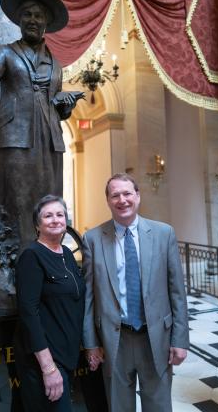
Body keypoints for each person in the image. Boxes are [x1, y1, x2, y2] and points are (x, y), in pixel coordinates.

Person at [0, 0, 84, 252]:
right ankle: (15, 257)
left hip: (49, 140)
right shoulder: (6, 51)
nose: (33, 20)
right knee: (16, 198)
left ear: (47, 23)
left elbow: (56, 106)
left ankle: (46, 253)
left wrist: (66, 106)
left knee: (48, 198)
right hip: (16, 135)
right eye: (27, 14)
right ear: (19, 20)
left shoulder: (56, 64)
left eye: (39, 16)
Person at [82, 173, 189, 412]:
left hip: (156, 339)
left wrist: (180, 340)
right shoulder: (93, 239)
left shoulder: (164, 234)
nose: (122, 200)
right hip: (114, 341)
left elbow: (177, 293)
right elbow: (89, 298)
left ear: (138, 196)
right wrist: (90, 344)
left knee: (159, 406)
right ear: (108, 200)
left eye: (127, 193)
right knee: (119, 407)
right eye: (115, 195)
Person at [14, 195, 85, 411]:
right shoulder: (31, 256)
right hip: (46, 360)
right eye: (48, 216)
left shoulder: (66, 253)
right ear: (37, 224)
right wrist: (48, 368)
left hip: (67, 354)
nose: (55, 220)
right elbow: (29, 313)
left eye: (60, 214)